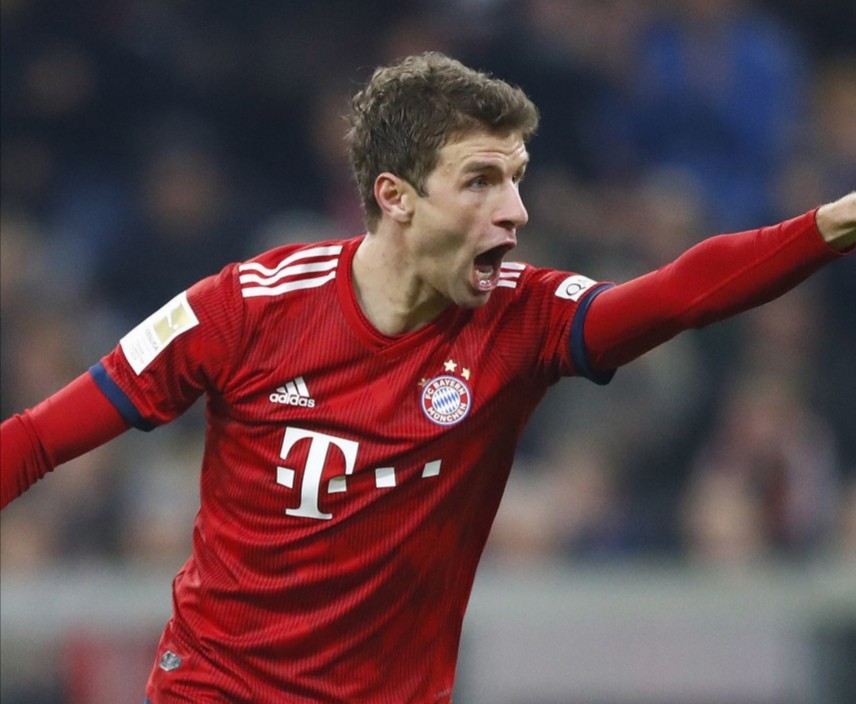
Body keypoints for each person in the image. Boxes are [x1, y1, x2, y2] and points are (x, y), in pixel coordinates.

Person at [1, 51, 853, 704]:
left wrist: (833, 222)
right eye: (480, 181)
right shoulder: (243, 308)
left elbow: (680, 294)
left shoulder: (524, 319)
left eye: (516, 180)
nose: (515, 211)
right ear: (396, 196)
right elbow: (37, 439)